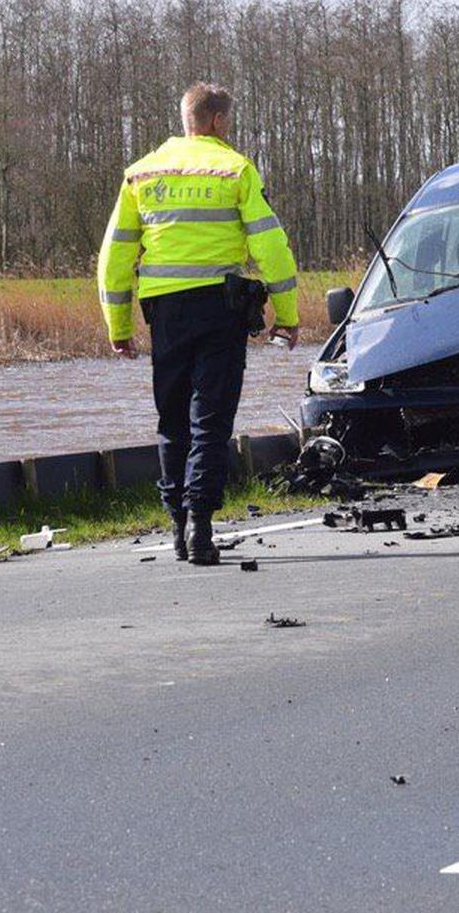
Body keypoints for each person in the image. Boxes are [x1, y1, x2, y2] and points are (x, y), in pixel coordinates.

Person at [96, 83, 300, 565]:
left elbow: (115, 255)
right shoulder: (234, 168)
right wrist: (287, 316)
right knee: (209, 422)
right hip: (220, 310)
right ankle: (200, 528)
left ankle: (176, 527)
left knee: (171, 420)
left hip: (164, 311)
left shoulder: (141, 173)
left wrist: (117, 325)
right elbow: (271, 245)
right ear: (216, 122)